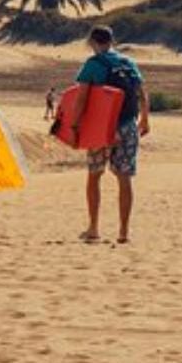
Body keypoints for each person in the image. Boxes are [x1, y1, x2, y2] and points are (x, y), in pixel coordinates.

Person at [69, 26, 149, 244]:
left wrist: (75, 125)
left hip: (101, 128)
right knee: (124, 178)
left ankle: (93, 228)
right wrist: (145, 119)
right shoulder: (128, 63)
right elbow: (142, 93)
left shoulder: (93, 64)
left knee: (95, 175)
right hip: (128, 126)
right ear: (112, 41)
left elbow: (81, 98)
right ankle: (124, 232)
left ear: (92, 42)